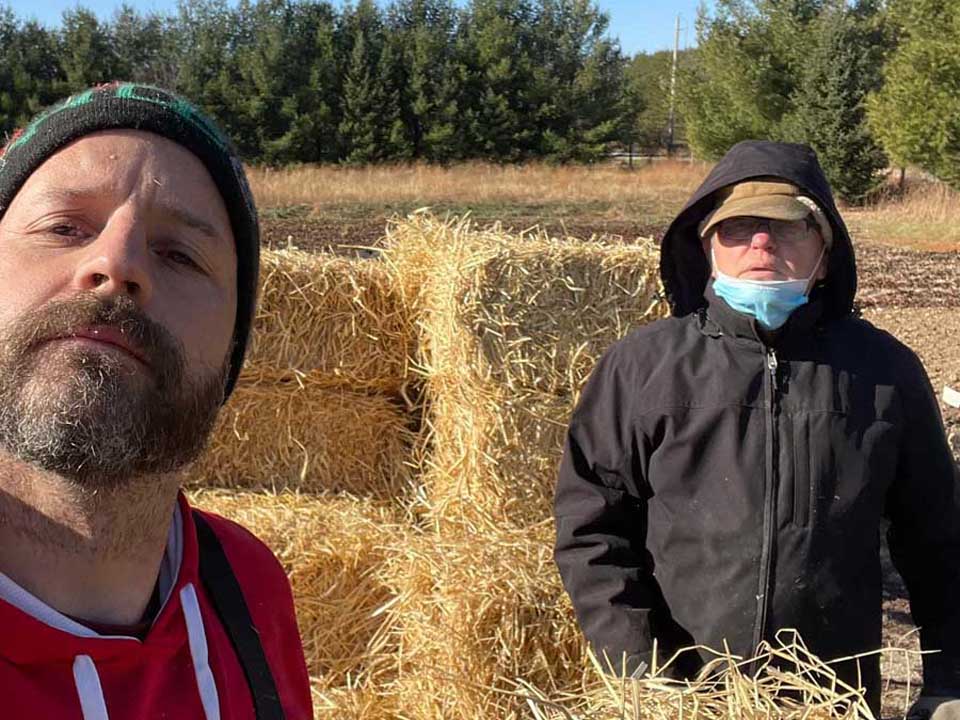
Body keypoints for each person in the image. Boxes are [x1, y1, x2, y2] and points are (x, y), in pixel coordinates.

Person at [554, 140, 960, 718]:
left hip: (832, 696)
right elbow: (592, 530)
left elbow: (937, 539)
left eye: (787, 227)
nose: (762, 243)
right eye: (738, 228)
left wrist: (949, 679)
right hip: (684, 694)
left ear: (825, 248)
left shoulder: (883, 371)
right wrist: (644, 671)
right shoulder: (642, 366)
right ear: (707, 246)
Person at [0, 83, 312, 719]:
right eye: (64, 227)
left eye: (180, 255)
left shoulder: (249, 589)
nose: (116, 262)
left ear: (232, 351)